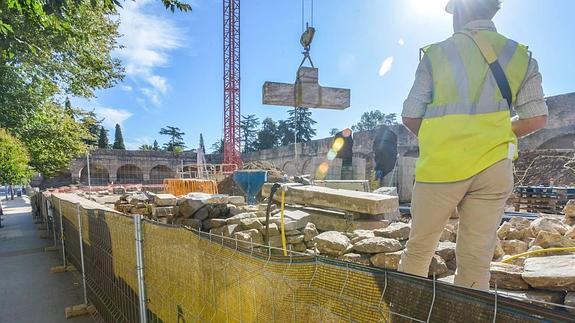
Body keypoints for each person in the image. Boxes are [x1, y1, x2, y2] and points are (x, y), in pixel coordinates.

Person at [398, 0, 548, 290]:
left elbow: (410, 114)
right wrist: (492, 133)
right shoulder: (519, 56)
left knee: (419, 250)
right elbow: (537, 117)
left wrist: (441, 137)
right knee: (476, 259)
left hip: (441, 168)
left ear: (458, 13)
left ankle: (406, 313)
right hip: (493, 169)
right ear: (493, 11)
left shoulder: (437, 54)